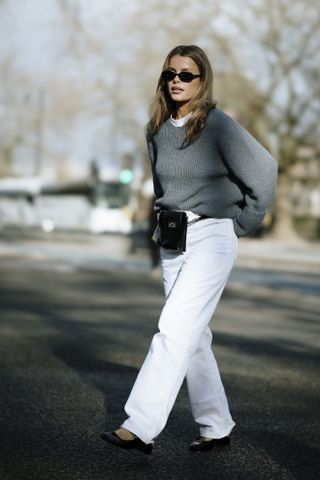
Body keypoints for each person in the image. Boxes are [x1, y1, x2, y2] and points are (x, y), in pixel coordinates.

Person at [100, 45, 278, 455]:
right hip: (174, 239)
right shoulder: (156, 128)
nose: (177, 81)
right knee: (193, 337)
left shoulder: (216, 125)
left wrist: (245, 222)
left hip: (214, 238)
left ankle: (141, 425)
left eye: (186, 75)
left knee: (173, 330)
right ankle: (216, 426)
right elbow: (163, 189)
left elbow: (265, 170)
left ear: (202, 81)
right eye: (170, 74)